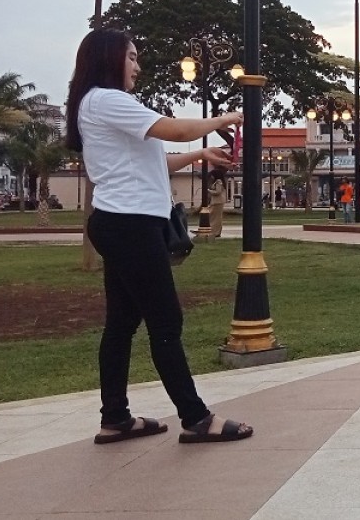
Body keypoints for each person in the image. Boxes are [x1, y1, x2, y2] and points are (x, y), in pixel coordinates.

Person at [65, 29, 252, 445]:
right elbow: (175, 129)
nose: (137, 65)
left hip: (122, 222)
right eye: (131, 57)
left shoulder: (103, 105)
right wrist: (221, 120)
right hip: (130, 225)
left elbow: (156, 163)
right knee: (166, 321)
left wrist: (202, 154)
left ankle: (115, 418)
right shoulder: (107, 100)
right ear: (109, 58)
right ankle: (196, 418)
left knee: (122, 323)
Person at [207, 170, 227, 238]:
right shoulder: (218, 181)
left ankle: (215, 232)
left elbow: (218, 192)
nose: (211, 177)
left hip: (217, 201)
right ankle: (216, 232)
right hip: (218, 201)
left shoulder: (218, 181)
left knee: (215, 218)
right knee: (216, 217)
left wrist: (209, 191)